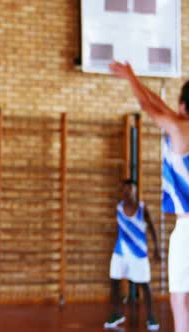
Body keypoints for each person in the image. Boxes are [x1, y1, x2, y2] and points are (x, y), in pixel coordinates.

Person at [111, 61, 189, 331]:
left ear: (182, 106)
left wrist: (131, 76)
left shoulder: (180, 128)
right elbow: (155, 102)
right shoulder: (180, 123)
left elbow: (148, 106)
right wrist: (136, 81)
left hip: (187, 226)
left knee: (180, 299)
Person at [104, 179, 160, 330]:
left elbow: (153, 227)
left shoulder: (142, 208)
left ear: (135, 191)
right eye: (125, 190)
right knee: (114, 282)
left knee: (144, 285)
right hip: (120, 252)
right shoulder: (119, 207)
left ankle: (151, 317)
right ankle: (117, 313)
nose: (128, 192)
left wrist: (157, 248)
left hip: (138, 253)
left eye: (130, 189)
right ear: (122, 192)